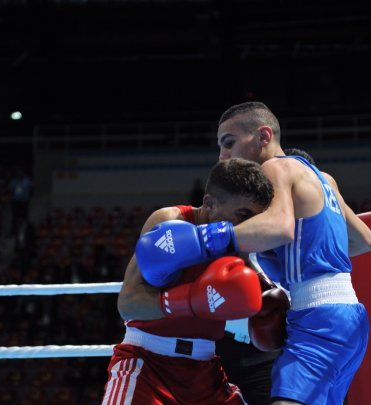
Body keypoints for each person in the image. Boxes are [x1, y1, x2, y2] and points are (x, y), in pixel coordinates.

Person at [135, 102, 371, 404]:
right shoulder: (323, 179)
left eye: (230, 143)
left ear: (263, 136)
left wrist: (201, 239)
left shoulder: (276, 166)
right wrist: (297, 257)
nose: (223, 155)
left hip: (319, 319)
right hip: (349, 316)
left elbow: (281, 227)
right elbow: (364, 241)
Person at [103, 158, 277, 404]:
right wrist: (189, 300)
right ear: (209, 203)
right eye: (243, 214)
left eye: (254, 218)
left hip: (205, 372)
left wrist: (269, 301)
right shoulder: (169, 222)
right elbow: (128, 304)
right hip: (147, 364)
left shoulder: (240, 242)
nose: (248, 225)